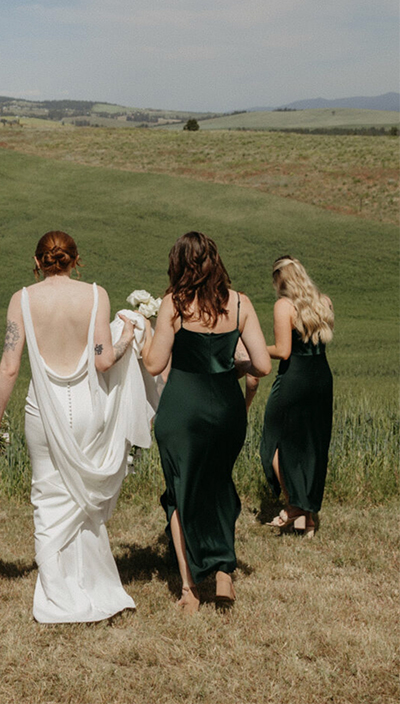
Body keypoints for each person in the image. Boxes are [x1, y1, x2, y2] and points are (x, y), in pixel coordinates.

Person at [0, 231, 143, 624]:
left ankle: (58, 592)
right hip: (88, 407)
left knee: (47, 493)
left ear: (37, 262)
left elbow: (10, 367)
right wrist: (126, 337)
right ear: (76, 260)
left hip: (43, 409)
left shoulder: (22, 299)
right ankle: (93, 585)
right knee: (81, 496)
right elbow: (104, 361)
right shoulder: (96, 295)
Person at [140, 232, 270, 613]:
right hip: (227, 408)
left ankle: (189, 589)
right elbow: (262, 365)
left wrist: (145, 335)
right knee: (218, 485)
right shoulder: (240, 303)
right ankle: (224, 571)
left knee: (179, 492)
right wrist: (234, 364)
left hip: (184, 408)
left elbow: (154, 364)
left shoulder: (175, 304)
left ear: (179, 263)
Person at [260, 256, 334, 537]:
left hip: (294, 379)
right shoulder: (324, 302)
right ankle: (307, 521)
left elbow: (283, 351)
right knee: (310, 446)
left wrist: (254, 349)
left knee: (272, 441)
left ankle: (294, 506)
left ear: (279, 280)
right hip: (321, 379)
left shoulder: (284, 306)